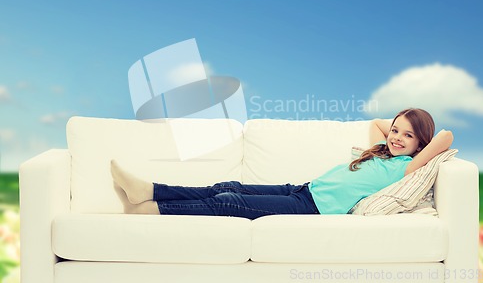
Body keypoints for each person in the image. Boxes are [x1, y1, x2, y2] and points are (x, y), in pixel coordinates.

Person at [111, 108, 453, 219]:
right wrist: (393, 128)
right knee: (227, 187)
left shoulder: (405, 167)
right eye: (396, 130)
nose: (395, 137)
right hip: (303, 189)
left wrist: (416, 140)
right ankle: (150, 189)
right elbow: (379, 124)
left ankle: (155, 209)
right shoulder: (379, 151)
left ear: (420, 144)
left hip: (313, 208)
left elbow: (446, 138)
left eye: (407, 136)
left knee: (231, 203)